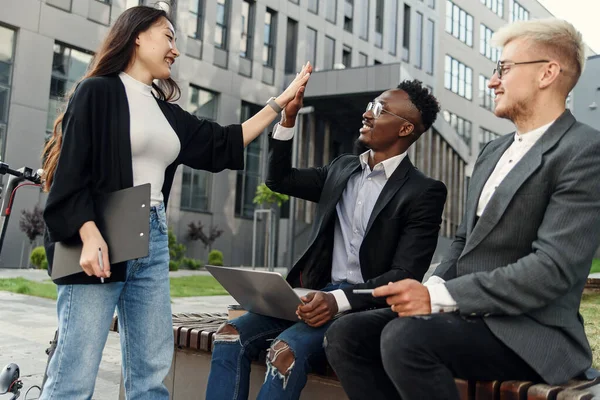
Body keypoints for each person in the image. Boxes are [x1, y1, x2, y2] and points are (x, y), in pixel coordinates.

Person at [40, 6, 310, 399]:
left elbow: (223, 142)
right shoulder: (98, 91)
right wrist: (88, 233)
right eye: (168, 37)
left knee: (150, 375)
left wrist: (279, 103)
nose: (174, 50)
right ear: (137, 36)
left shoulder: (164, 110)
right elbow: (72, 170)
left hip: (150, 234)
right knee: (73, 377)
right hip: (97, 234)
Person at [324, 18, 600, 400]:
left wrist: (438, 299)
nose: (492, 81)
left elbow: (551, 270)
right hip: (466, 315)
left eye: (503, 68)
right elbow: (463, 241)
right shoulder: (492, 152)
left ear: (547, 73)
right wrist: (430, 287)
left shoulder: (584, 151)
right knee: (346, 334)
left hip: (531, 332)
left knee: (407, 339)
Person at [206, 79, 447, 400]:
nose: (367, 114)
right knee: (229, 334)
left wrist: (340, 300)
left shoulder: (423, 191)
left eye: (379, 109)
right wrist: (287, 121)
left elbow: (405, 276)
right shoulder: (342, 168)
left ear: (405, 129)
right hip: (311, 296)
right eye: (370, 105)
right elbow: (280, 179)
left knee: (284, 352)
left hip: (361, 308)